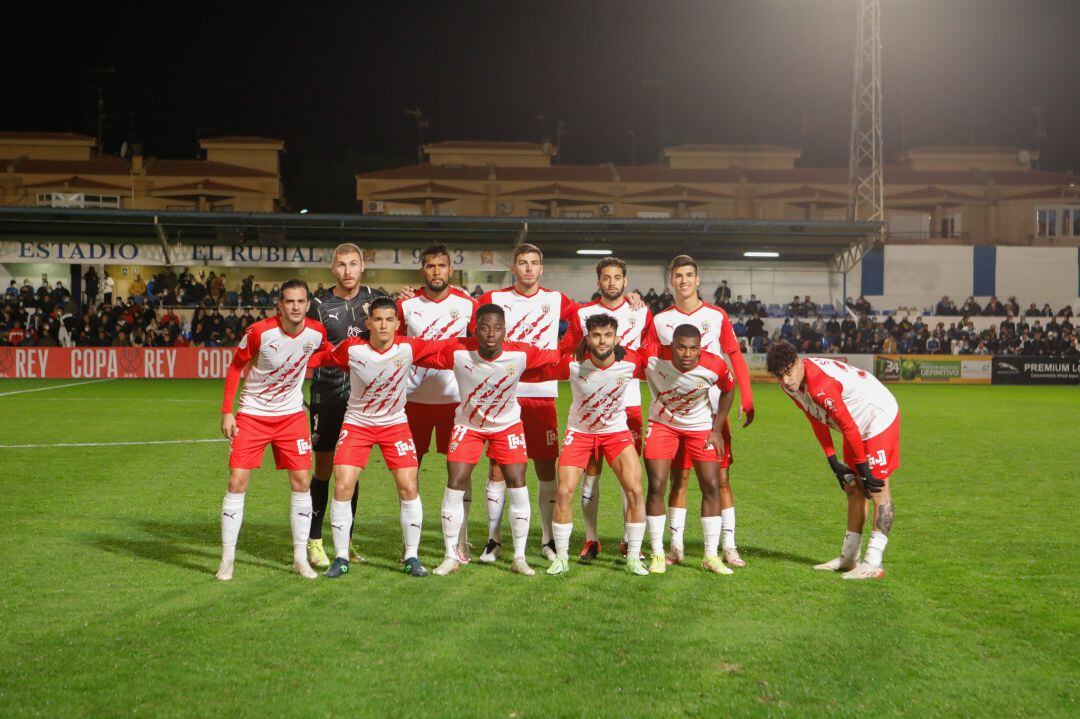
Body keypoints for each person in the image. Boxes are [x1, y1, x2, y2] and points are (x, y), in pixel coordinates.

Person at [411, 303, 563, 576]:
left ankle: (518, 557)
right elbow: (420, 351)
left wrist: (586, 347)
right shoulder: (457, 351)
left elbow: (557, 356)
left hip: (507, 427)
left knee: (517, 483)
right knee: (455, 482)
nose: (491, 334)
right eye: (484, 328)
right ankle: (450, 555)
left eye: (497, 328)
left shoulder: (520, 353)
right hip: (468, 426)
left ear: (505, 330)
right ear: (475, 330)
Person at [314, 297, 456, 579]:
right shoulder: (351, 349)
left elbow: (447, 348)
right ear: (368, 323)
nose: (383, 325)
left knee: (408, 486)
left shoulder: (408, 347)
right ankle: (341, 558)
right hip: (357, 424)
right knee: (343, 485)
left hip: (394, 424)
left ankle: (412, 557)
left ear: (397, 324)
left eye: (389, 320)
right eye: (377, 319)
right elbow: (320, 357)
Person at [216, 279, 333, 581]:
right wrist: (228, 411)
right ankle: (227, 559)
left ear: (308, 305)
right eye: (290, 301)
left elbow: (325, 353)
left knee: (302, 481)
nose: (296, 307)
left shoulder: (316, 332)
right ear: (280, 305)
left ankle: (299, 559)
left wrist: (312, 359)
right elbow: (235, 367)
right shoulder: (259, 332)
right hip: (253, 415)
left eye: (301, 301)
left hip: (291, 416)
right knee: (237, 480)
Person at [473, 245, 581, 563]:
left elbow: (582, 321)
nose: (529, 269)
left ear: (541, 268)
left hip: (543, 394)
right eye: (523, 263)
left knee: (546, 467)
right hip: (504, 392)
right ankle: (494, 541)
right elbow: (470, 324)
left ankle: (547, 540)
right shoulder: (494, 300)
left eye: (534, 263)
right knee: (497, 468)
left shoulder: (556, 300)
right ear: (514, 267)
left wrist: (559, 354)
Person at [645, 255, 754, 568]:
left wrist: (746, 397)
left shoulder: (717, 315)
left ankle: (728, 546)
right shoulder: (660, 320)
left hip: (710, 410)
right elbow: (648, 359)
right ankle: (675, 547)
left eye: (689, 275)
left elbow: (734, 356)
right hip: (673, 413)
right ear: (671, 280)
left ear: (697, 279)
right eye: (678, 275)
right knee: (677, 479)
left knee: (720, 479)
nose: (684, 281)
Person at [765, 342, 900, 580]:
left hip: (877, 416)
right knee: (853, 487)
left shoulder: (820, 385)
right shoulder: (792, 386)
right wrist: (832, 459)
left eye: (788, 372)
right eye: (779, 376)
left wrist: (865, 469)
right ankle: (849, 558)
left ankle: (873, 562)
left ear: (798, 363)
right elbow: (815, 417)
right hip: (854, 424)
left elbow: (848, 426)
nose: (785, 380)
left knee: (877, 487)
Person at [533, 315, 648, 576]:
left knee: (635, 490)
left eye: (607, 335)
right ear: (588, 338)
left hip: (615, 432)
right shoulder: (573, 364)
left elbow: (661, 368)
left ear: (616, 337)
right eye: (596, 335)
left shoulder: (631, 362)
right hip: (580, 433)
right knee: (564, 492)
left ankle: (633, 557)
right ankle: (561, 558)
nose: (602, 340)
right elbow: (539, 371)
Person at [558, 257, 651, 561]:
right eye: (606, 278)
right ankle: (591, 538)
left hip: (629, 407)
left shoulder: (640, 310)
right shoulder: (584, 313)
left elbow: (649, 354)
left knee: (630, 479)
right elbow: (567, 348)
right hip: (589, 411)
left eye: (617, 278)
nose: (612, 283)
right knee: (590, 477)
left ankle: (628, 538)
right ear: (598, 281)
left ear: (626, 281)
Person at [305, 243, 390, 569]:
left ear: (363, 266)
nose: (348, 271)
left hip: (364, 400)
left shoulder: (378, 299)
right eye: (342, 265)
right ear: (333, 268)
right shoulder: (317, 305)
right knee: (325, 469)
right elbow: (306, 349)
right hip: (327, 395)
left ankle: (346, 540)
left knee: (350, 472)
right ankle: (314, 539)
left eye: (354, 264)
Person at [398, 243, 477, 563]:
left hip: (454, 401)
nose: (436, 272)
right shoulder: (405, 306)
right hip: (412, 400)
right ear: (422, 271)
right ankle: (410, 544)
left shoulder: (468, 304)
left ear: (450, 270)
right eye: (430, 266)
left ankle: (462, 538)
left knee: (460, 472)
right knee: (408, 472)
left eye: (442, 266)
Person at [641, 324, 737, 575]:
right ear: (672, 345)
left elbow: (729, 389)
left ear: (700, 348)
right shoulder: (651, 355)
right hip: (662, 425)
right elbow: (619, 352)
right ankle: (658, 554)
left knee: (711, 485)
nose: (687, 354)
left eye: (693, 348)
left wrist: (716, 429)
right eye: (681, 347)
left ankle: (710, 556)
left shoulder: (714, 364)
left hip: (699, 426)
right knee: (657, 484)